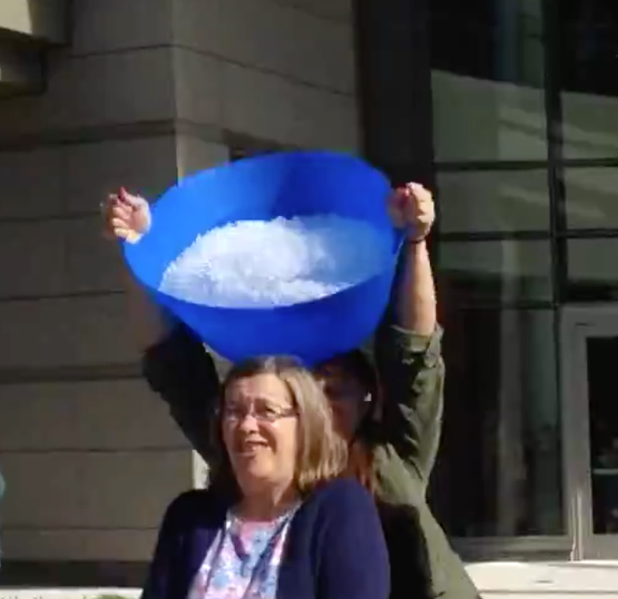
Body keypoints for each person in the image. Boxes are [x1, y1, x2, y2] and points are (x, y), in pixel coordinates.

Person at [110, 183, 478, 599]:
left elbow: (415, 355)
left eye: (334, 392)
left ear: (368, 398)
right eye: (302, 394)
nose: (316, 406)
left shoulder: (388, 456)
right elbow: (174, 366)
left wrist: (414, 242)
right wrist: (140, 250)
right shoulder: (250, 449)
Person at [142, 357, 391, 599]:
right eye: (234, 411)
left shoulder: (339, 509)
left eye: (266, 411)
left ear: (305, 425)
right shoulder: (189, 518)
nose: (247, 425)